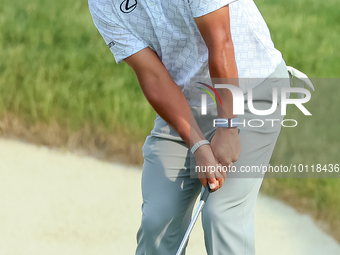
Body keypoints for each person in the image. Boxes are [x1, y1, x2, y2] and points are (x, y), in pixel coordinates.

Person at [88, 0, 294, 254]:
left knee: (222, 214)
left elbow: (221, 43)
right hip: (186, 103)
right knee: (158, 219)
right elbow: (153, 77)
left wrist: (227, 128)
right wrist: (198, 144)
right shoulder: (101, 4)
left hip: (251, 90)